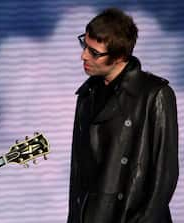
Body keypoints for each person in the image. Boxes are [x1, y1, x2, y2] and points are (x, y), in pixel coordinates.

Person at [67, 8, 178, 223]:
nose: (84, 56)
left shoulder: (155, 95)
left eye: (94, 52)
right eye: (84, 45)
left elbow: (165, 175)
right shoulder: (86, 95)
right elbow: (79, 177)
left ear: (119, 56)